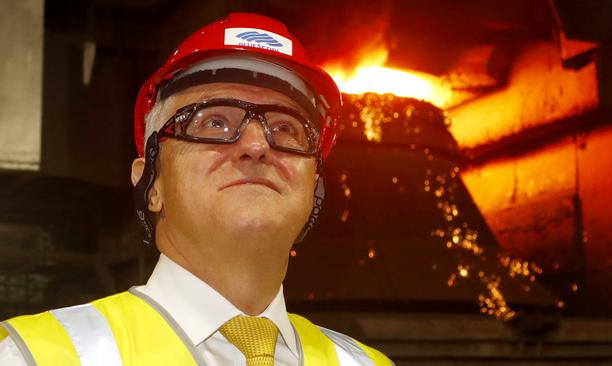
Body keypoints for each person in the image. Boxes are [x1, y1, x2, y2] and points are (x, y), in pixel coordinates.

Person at [0, 12, 393, 366]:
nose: (257, 145)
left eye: (286, 129)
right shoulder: (36, 357)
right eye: (214, 122)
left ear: (314, 189)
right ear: (150, 183)